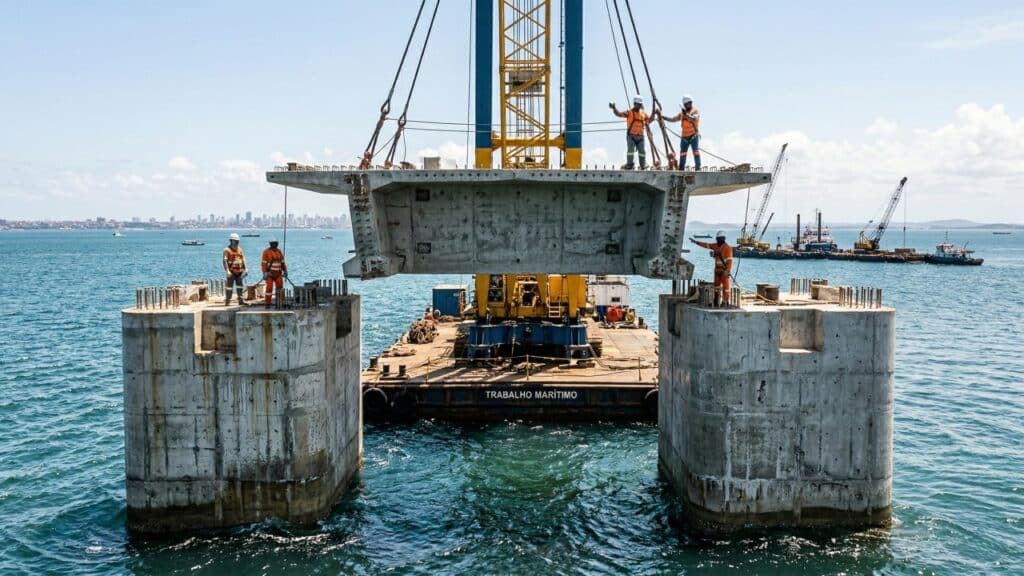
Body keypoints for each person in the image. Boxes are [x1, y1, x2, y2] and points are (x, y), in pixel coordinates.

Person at [609, 95, 652, 169]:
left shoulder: (643, 113)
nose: (639, 105)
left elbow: (649, 120)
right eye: (638, 104)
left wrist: (654, 112)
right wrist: (614, 108)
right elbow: (619, 114)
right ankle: (630, 164)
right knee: (630, 150)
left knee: (642, 151)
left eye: (640, 104)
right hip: (631, 136)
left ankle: (643, 165)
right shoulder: (629, 112)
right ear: (634, 103)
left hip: (640, 137)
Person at [689, 230, 732, 304]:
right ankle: (716, 301)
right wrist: (696, 242)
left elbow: (729, 261)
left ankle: (725, 302)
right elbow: (706, 245)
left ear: (723, 239)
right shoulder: (715, 246)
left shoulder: (728, 248)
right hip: (717, 270)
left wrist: (727, 271)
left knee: (726, 287)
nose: (718, 240)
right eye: (718, 239)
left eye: (719, 239)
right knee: (716, 286)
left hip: (724, 270)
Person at [661, 95, 700, 171]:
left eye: (689, 103)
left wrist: (686, 115)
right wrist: (663, 117)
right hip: (684, 137)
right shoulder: (682, 114)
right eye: (686, 104)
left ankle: (698, 168)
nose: (687, 105)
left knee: (696, 152)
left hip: (694, 136)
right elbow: (673, 119)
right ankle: (681, 169)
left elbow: (693, 119)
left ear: (691, 103)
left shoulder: (695, 111)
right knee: (683, 154)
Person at [222, 233, 247, 306]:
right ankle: (228, 300)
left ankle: (240, 300)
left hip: (239, 271)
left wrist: (246, 269)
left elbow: (243, 259)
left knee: (240, 286)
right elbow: (224, 260)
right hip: (231, 271)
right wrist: (227, 271)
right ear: (231, 241)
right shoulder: (227, 250)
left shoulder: (240, 249)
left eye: (237, 241)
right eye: (235, 241)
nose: (237, 242)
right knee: (229, 287)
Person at [261, 238, 288, 307]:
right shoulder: (266, 252)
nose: (274, 245)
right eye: (273, 243)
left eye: (275, 243)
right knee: (269, 288)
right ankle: (267, 303)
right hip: (269, 274)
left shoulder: (279, 252)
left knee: (280, 288)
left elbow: (282, 263)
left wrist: (285, 271)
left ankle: (280, 302)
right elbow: (263, 264)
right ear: (270, 244)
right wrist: (264, 272)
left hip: (278, 274)